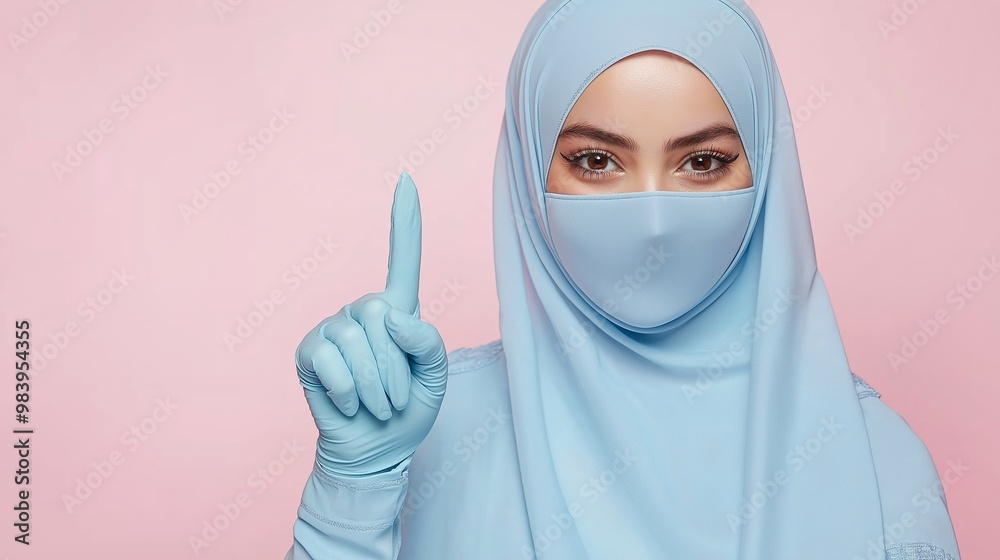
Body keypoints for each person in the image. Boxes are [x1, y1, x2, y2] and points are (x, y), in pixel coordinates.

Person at [284, 0, 961, 558]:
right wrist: (350, 496)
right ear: (528, 175)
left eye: (701, 161)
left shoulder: (876, 461)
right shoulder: (427, 431)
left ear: (765, 177)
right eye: (597, 160)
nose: (656, 220)